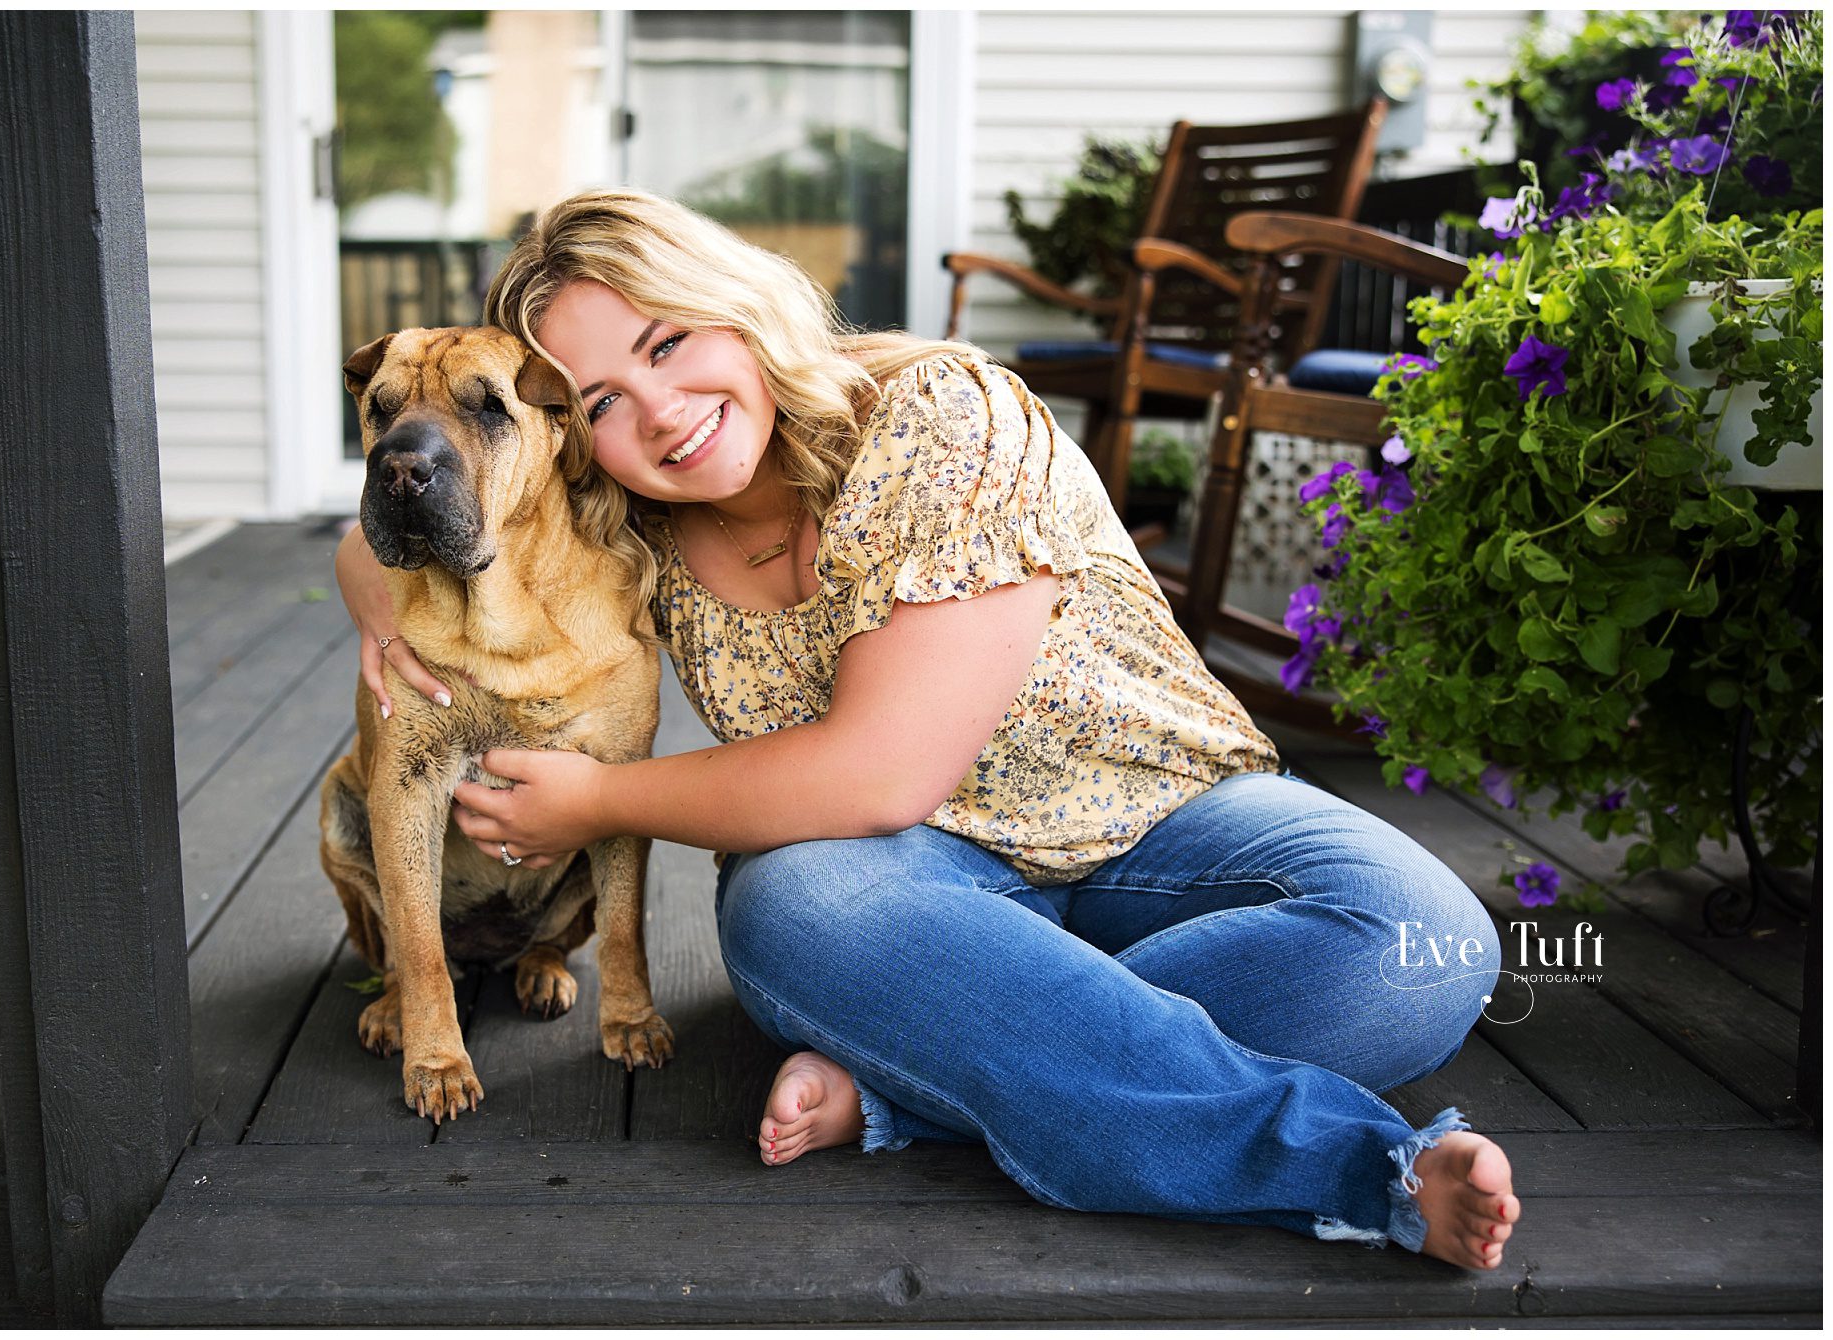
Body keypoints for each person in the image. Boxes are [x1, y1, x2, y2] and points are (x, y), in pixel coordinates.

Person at [335, 187, 1520, 1270]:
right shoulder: (627, 515)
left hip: (1157, 815)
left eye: (668, 343)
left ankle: (912, 1071)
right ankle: (1354, 1164)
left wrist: (592, 802)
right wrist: (375, 610)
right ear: (560, 428)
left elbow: (881, 769)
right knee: (795, 908)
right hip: (891, 888)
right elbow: (390, 515)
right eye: (599, 399)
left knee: (1423, 942)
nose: (660, 411)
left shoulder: (936, 416)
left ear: (734, 306)